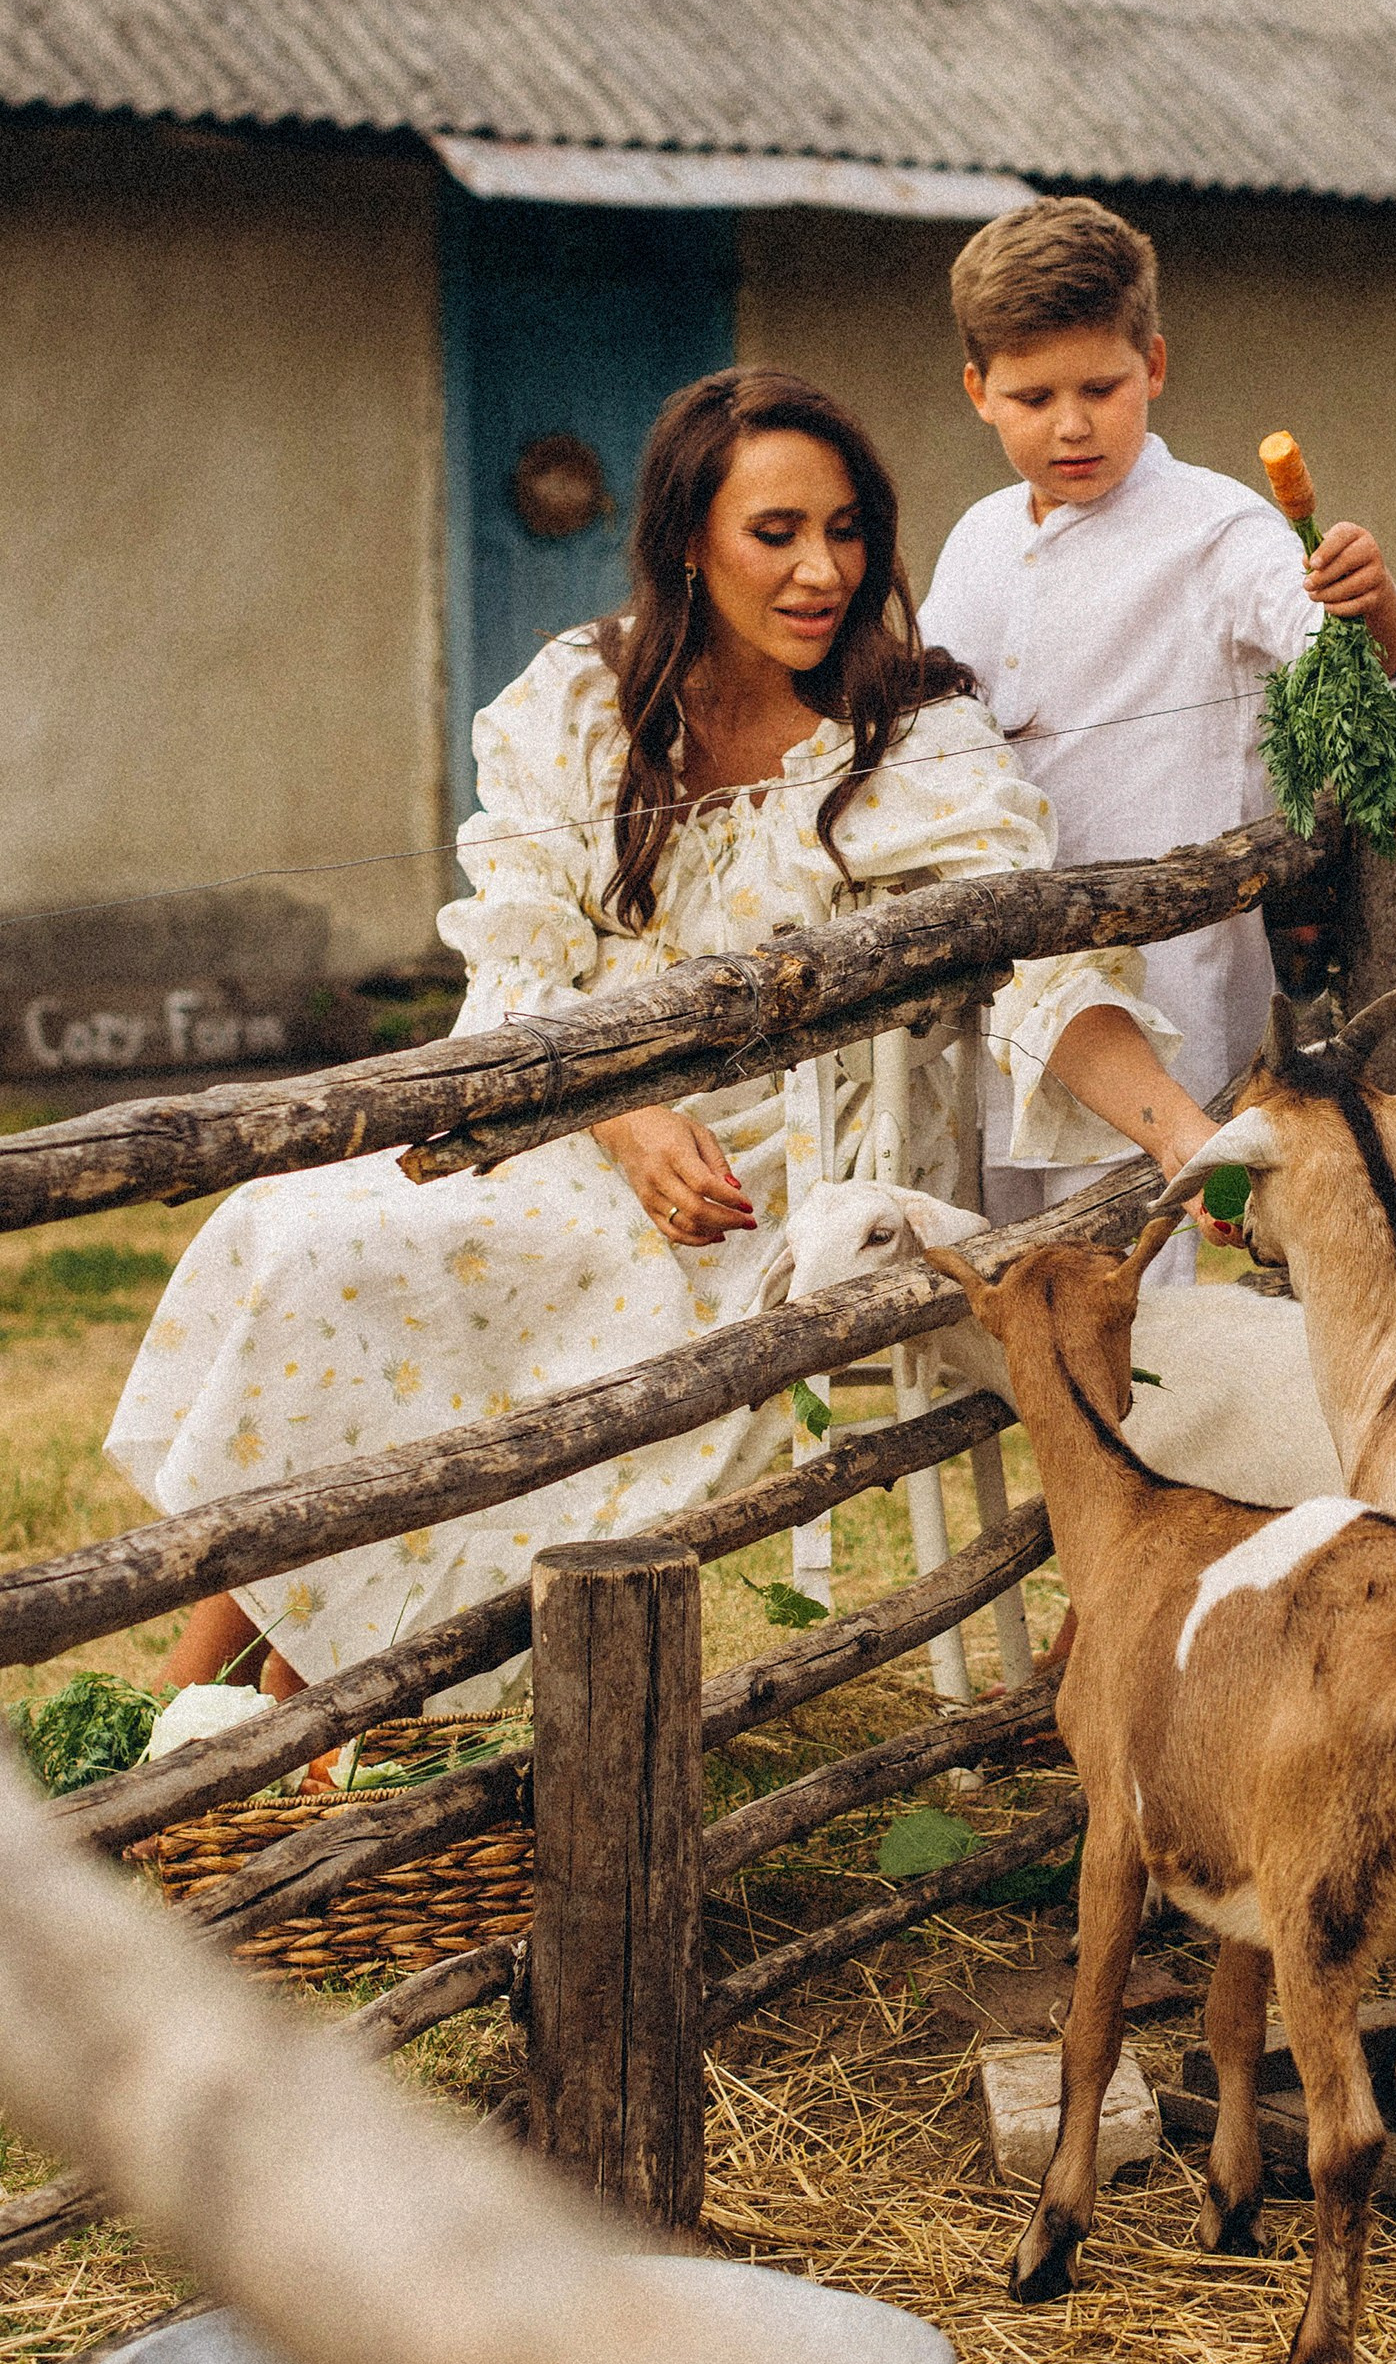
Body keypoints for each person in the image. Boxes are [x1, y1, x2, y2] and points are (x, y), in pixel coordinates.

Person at [111, 366, 1214, 1705]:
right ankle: (242, 1720)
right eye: (778, 532)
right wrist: (621, 1114)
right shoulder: (580, 700)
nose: (822, 569)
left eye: (849, 528)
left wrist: (1187, 1132)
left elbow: (1034, 961)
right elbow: (517, 963)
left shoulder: (913, 738)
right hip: (557, 1122)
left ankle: (246, 1724)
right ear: (689, 537)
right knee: (300, 1230)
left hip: (761, 1189)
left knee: (387, 1270)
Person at [921, 197, 1396, 1252]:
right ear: (977, 392)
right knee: (1009, 1292)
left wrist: (1366, 601)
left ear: (1153, 364)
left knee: (1142, 1303)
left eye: (1101, 388)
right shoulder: (973, 540)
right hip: (1000, 997)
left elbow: (1350, 659)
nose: (1072, 424)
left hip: (1164, 1004)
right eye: (1033, 395)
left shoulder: (1219, 529)